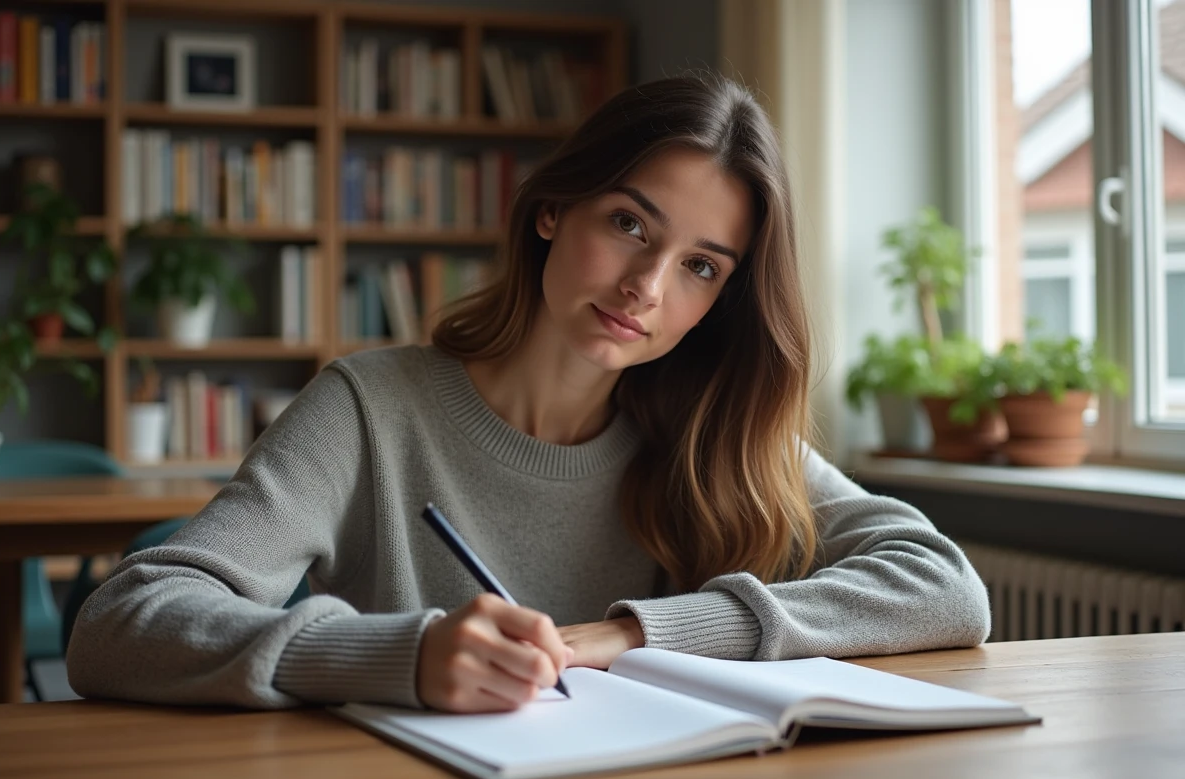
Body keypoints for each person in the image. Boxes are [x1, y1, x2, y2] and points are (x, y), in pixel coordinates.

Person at [67, 73, 990, 713]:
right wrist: (401, 656)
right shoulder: (369, 409)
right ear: (553, 210)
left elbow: (943, 585)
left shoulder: (714, 433)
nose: (647, 287)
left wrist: (635, 635)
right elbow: (122, 622)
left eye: (701, 266)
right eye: (630, 224)